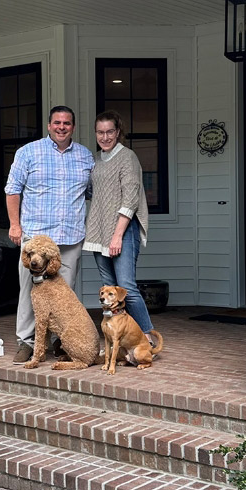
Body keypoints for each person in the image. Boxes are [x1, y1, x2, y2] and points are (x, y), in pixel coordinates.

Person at [5, 105, 95, 363]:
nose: (61, 127)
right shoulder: (28, 152)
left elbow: (91, 193)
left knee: (65, 294)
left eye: (67, 123)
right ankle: (26, 342)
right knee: (29, 291)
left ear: (73, 127)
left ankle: (60, 342)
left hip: (70, 237)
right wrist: (14, 225)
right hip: (35, 239)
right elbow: (12, 190)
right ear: (49, 125)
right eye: (57, 122)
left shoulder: (85, 156)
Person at [83, 111, 156, 341]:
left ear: (118, 132)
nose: (105, 137)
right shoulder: (95, 160)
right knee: (109, 290)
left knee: (126, 288)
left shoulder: (127, 157)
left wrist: (117, 236)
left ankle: (147, 336)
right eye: (100, 132)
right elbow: (92, 193)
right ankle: (117, 339)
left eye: (110, 132)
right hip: (99, 231)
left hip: (122, 231)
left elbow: (131, 199)